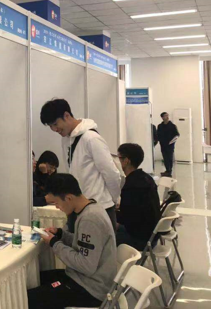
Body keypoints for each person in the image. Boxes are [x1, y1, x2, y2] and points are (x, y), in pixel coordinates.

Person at [28, 174, 117, 309]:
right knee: (34, 278)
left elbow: (86, 265)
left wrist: (54, 243)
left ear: (69, 198)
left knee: (28, 299)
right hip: (82, 278)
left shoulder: (90, 219)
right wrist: (61, 234)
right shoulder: (92, 207)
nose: (57, 207)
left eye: (56, 203)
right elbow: (82, 244)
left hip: (90, 289)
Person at [40, 99, 122, 230]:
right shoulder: (66, 140)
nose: (54, 129)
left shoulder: (91, 138)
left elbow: (111, 174)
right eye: (50, 126)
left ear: (67, 115)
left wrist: (114, 199)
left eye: (55, 124)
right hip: (76, 208)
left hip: (99, 208)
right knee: (74, 242)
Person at [116, 143, 161, 250]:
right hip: (152, 236)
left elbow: (125, 219)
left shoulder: (131, 186)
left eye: (118, 158)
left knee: (104, 235)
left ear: (126, 161)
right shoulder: (147, 178)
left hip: (140, 240)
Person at [158, 112, 180, 177]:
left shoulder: (172, 126)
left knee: (169, 157)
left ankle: (169, 171)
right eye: (165, 116)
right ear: (162, 117)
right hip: (163, 145)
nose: (167, 117)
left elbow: (177, 134)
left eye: (167, 115)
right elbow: (158, 135)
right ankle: (167, 170)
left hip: (170, 145)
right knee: (165, 157)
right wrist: (160, 140)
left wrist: (172, 141)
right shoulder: (160, 126)